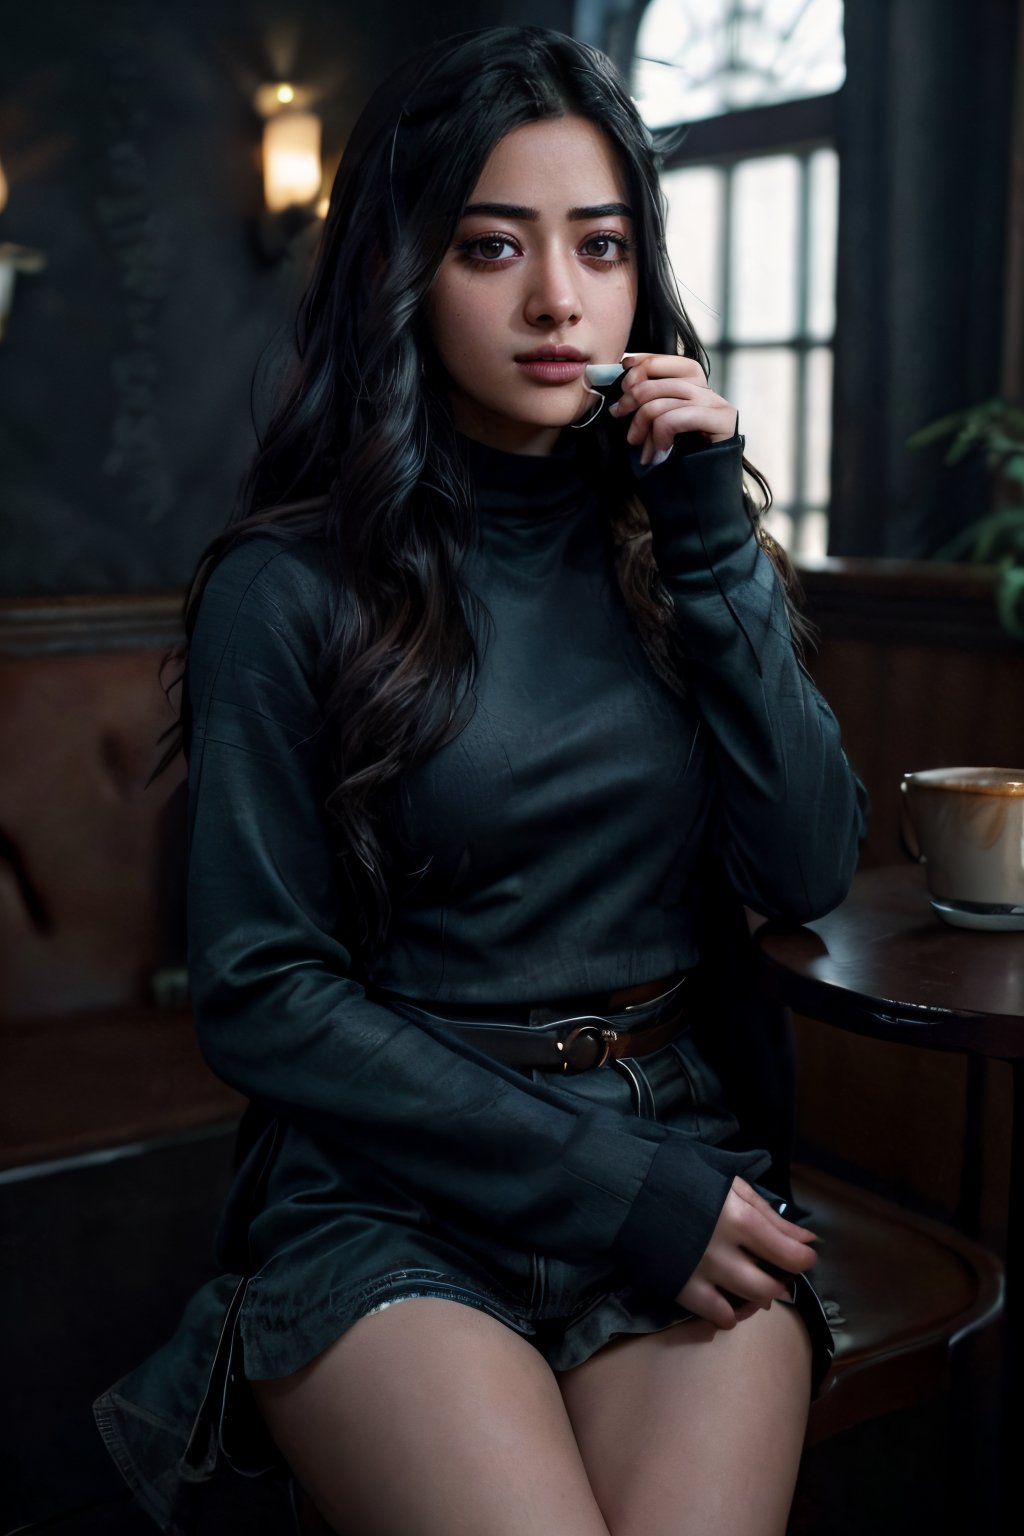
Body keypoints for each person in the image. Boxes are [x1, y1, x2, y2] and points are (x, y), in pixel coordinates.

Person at [95, 25, 868, 1536]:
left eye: (601, 245)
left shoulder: (680, 541)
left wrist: (710, 531)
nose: (557, 301)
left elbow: (811, 867)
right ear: (407, 267)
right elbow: (258, 989)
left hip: (676, 1141)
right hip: (397, 1181)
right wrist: (606, 1193)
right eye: (490, 246)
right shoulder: (290, 583)